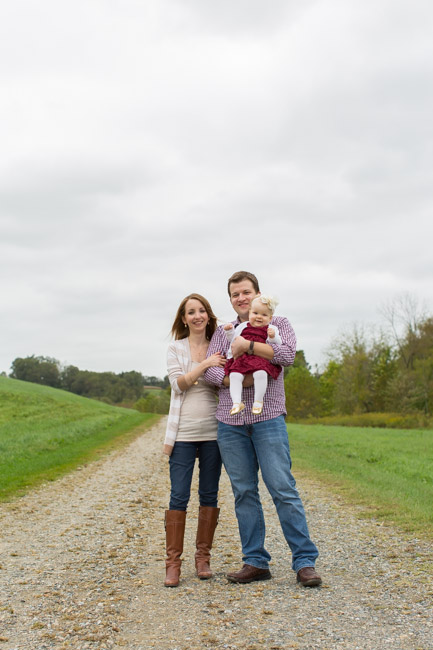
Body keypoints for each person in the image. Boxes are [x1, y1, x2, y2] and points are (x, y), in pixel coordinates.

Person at [204, 271, 322, 587]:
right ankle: (255, 561)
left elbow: (286, 356)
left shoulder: (278, 324)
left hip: (268, 418)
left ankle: (304, 562)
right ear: (230, 300)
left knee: (282, 487)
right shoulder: (223, 330)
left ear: (258, 293)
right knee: (244, 492)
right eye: (235, 295)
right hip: (230, 423)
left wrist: (249, 348)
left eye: (246, 292)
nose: (241, 299)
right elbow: (210, 370)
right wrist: (234, 379)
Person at [163, 293, 226, 587]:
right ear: (184, 318)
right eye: (191, 312)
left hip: (215, 431)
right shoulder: (175, 348)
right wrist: (204, 365)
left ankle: (203, 559)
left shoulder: (219, 345)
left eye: (202, 311)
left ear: (208, 315)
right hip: (184, 433)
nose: (197, 316)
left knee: (209, 495)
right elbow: (178, 384)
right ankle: (173, 564)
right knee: (179, 496)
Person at [223, 294, 282, 416]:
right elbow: (233, 340)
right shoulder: (242, 326)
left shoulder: (271, 328)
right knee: (234, 375)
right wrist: (229, 331)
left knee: (260, 373)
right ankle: (236, 402)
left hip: (259, 359)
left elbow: (278, 345)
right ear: (250, 313)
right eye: (255, 313)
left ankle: (258, 401)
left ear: (270, 318)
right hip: (242, 359)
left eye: (264, 315)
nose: (259, 317)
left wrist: (273, 337)